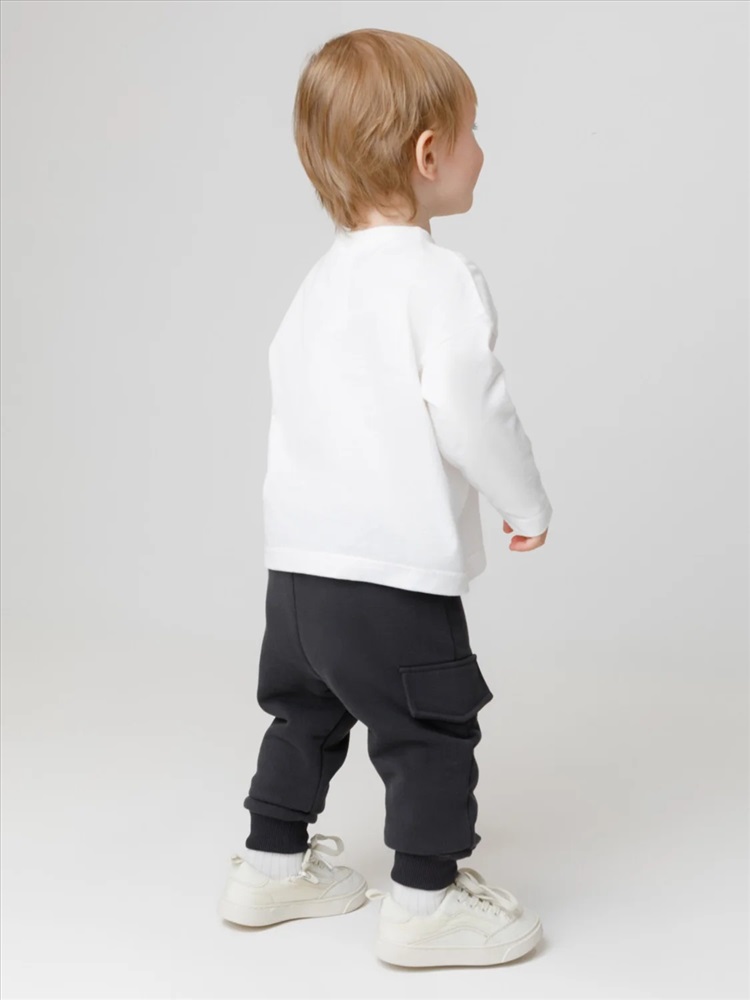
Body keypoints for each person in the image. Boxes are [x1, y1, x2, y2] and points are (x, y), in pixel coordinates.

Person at [217, 27, 553, 968]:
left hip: (298, 574)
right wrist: (526, 503)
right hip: (392, 574)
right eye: (474, 129)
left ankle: (270, 865)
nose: (482, 148)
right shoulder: (437, 278)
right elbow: (473, 410)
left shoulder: (319, 282)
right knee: (430, 730)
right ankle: (425, 903)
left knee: (305, 714)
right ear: (429, 154)